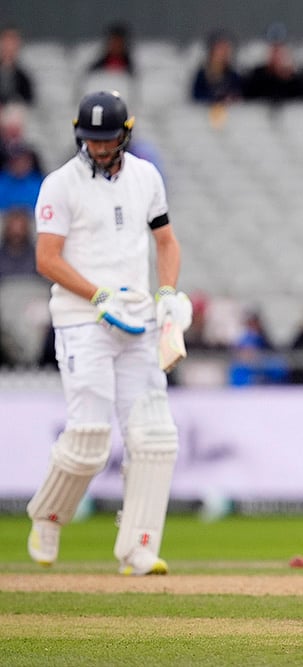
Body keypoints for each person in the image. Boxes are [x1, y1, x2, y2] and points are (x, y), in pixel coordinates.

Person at [26, 90, 193, 575]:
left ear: (125, 135)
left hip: (137, 321)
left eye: (107, 140)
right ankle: (48, 515)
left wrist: (165, 295)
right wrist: (98, 297)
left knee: (156, 437)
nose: (99, 148)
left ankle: (137, 547)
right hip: (83, 321)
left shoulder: (145, 176)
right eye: (91, 139)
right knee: (90, 437)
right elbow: (47, 258)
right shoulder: (60, 184)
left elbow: (166, 241)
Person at [190, 30, 243, 105]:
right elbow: (197, 97)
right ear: (212, 51)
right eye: (220, 49)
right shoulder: (202, 76)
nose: (223, 53)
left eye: (226, 49)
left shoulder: (234, 77)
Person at [0, 26, 34, 106]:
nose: (9, 46)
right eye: (7, 41)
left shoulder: (23, 78)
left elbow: (28, 100)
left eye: (13, 42)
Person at [0, 205, 35, 279]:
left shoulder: (37, 257)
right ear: (6, 228)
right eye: (13, 227)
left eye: (20, 228)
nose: (17, 232)